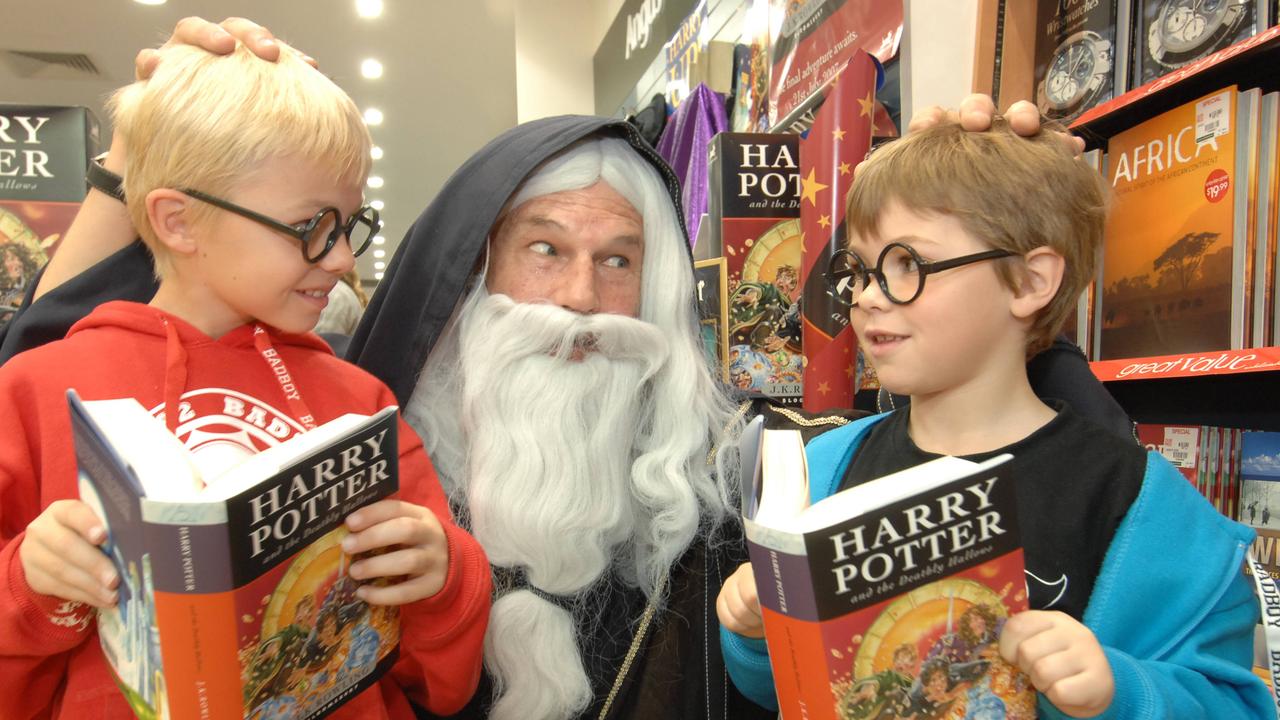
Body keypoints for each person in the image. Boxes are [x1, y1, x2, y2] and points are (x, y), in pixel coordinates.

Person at [0, 18, 1126, 720]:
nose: (583, 302)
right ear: (468, 270)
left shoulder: (743, 475)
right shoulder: (347, 409)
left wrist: (992, 215)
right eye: (543, 250)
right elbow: (82, 369)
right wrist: (135, 162)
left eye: (619, 259)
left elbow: (1017, 440)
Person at [716, 118, 1271, 718]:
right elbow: (789, 688)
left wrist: (1117, 690)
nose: (870, 296)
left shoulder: (1145, 506)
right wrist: (753, 635)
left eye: (908, 265)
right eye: (859, 272)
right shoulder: (817, 471)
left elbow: (1230, 702)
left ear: (1030, 281)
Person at [0, 40, 490, 719]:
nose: (342, 255)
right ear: (178, 221)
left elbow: (439, 681)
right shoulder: (33, 390)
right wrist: (28, 583)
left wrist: (444, 578)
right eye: (311, 226)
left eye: (349, 225)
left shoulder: (359, 401)